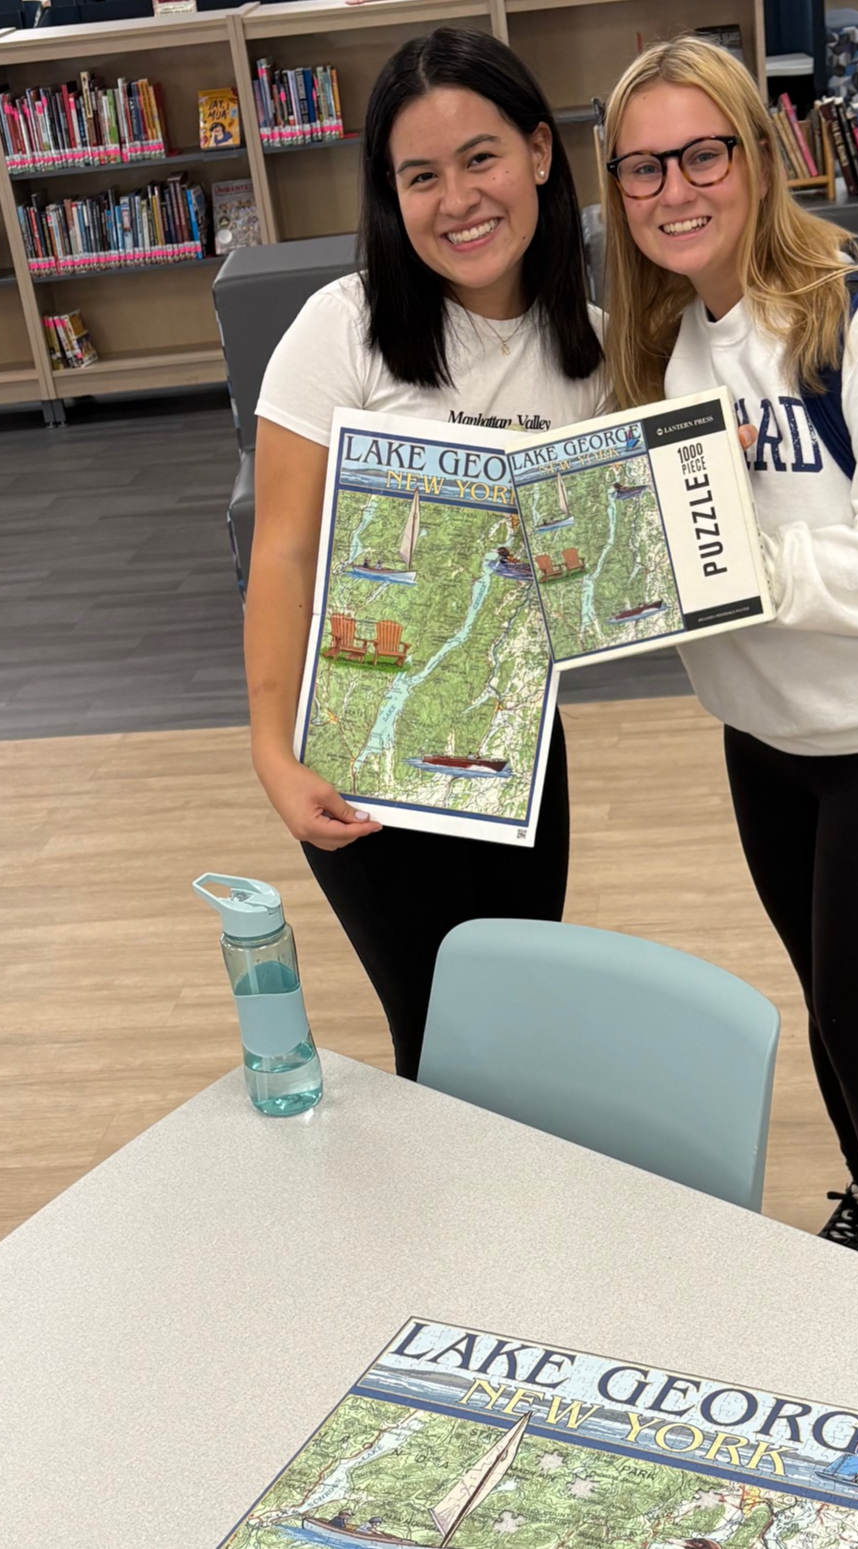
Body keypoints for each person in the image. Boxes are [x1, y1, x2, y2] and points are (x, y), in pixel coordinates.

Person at [599, 37, 858, 1292]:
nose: (676, 189)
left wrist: (747, 568)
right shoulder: (671, 345)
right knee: (828, 1008)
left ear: (760, 158)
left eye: (702, 153)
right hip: (767, 738)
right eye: (641, 167)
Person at [245, 28, 606, 1080]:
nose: (458, 199)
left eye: (481, 157)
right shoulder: (340, 331)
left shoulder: (593, 351)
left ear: (539, 152)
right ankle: (444, 1236)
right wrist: (273, 749)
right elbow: (281, 553)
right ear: (388, 195)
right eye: (421, 175)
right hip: (359, 754)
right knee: (437, 1029)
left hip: (514, 743)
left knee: (519, 1008)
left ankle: (499, 1226)